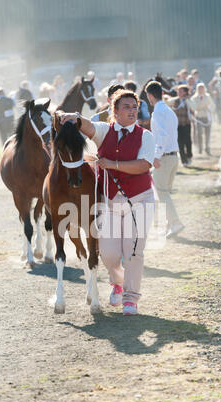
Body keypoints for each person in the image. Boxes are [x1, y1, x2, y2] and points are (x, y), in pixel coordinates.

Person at [58, 89, 156, 316]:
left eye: (134, 107)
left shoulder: (145, 136)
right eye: (126, 107)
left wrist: (112, 164)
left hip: (139, 200)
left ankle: (131, 299)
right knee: (108, 253)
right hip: (110, 202)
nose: (132, 111)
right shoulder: (104, 131)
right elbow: (89, 128)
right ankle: (118, 282)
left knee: (132, 251)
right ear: (115, 111)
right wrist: (74, 117)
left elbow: (143, 165)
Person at [146, 80, 184, 239]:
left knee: (161, 192)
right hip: (173, 156)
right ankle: (171, 224)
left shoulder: (158, 112)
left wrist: (156, 156)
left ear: (149, 96)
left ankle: (175, 223)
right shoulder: (168, 110)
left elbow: (161, 136)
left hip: (165, 157)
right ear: (161, 93)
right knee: (164, 192)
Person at [167, 85, 194, 167]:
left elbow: (194, 107)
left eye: (181, 91)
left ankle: (189, 155)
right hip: (177, 126)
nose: (179, 93)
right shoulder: (175, 101)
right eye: (178, 91)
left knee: (188, 141)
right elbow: (167, 101)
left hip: (186, 124)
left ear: (185, 92)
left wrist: (187, 99)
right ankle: (184, 160)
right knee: (180, 143)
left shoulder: (188, 101)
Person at [190, 82, 215, 155]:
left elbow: (212, 105)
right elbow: (193, 107)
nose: (201, 90)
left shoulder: (208, 96)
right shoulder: (194, 98)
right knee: (199, 133)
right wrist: (198, 108)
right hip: (199, 117)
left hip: (207, 116)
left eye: (202, 88)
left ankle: (207, 147)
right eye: (199, 88)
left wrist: (209, 109)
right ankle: (200, 147)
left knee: (208, 133)